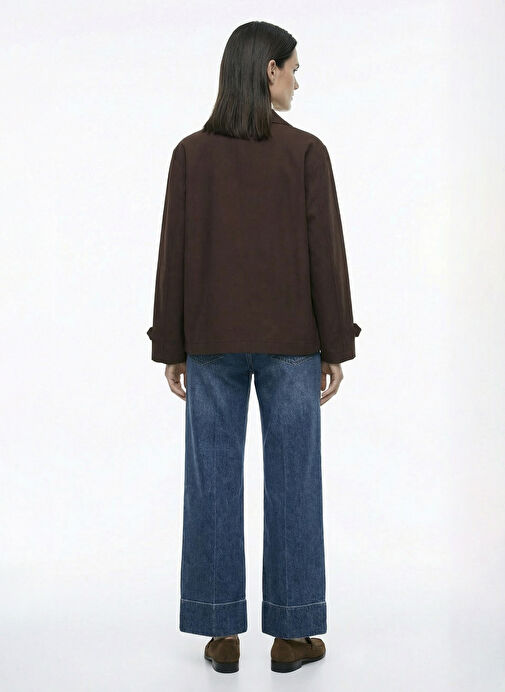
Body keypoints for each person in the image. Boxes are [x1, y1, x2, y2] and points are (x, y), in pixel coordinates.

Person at [147, 20, 361, 674]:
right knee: (293, 483)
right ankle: (292, 636)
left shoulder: (191, 154)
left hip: (210, 343)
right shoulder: (305, 153)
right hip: (292, 344)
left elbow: (174, 255)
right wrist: (335, 344)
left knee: (212, 482)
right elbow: (325, 255)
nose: (296, 80)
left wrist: (172, 344)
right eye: (292, 68)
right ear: (268, 70)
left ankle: (220, 633)